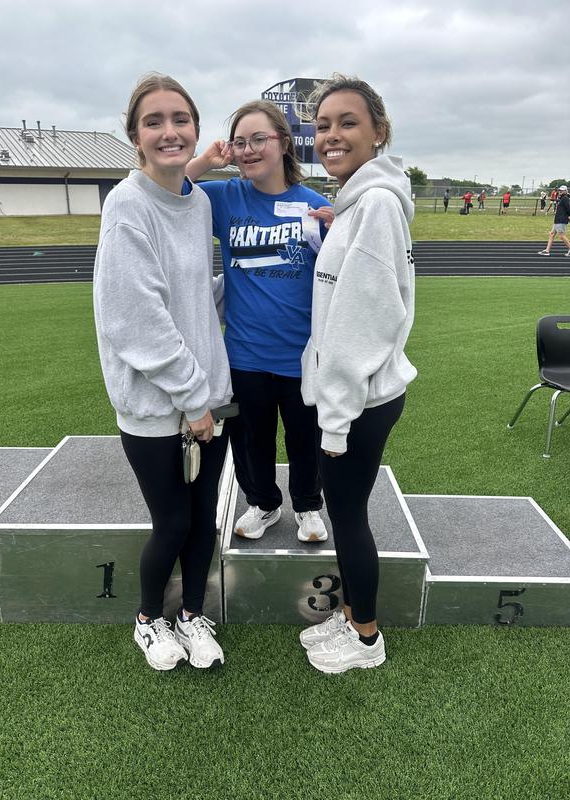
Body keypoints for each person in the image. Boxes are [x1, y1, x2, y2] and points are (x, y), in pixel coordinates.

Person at [93, 73, 232, 672]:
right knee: (172, 520)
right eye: (155, 121)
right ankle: (150, 619)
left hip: (210, 398)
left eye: (181, 118)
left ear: (196, 127)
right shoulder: (125, 208)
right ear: (135, 136)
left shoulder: (195, 201)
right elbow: (137, 321)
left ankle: (192, 612)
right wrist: (193, 398)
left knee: (204, 519)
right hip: (159, 406)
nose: (169, 130)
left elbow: (192, 293)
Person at [298, 74, 417, 674]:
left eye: (348, 123)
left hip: (358, 400)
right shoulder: (357, 204)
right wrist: (331, 228)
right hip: (359, 392)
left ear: (378, 133)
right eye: (322, 125)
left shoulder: (373, 205)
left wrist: (336, 420)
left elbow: (361, 324)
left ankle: (365, 638)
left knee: (348, 519)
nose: (332, 135)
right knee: (345, 514)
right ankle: (351, 620)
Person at [186, 100, 332, 544]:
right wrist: (205, 162)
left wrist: (334, 231)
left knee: (306, 440)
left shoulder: (316, 206)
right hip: (245, 355)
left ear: (284, 143)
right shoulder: (225, 198)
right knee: (251, 442)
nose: (249, 150)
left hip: (302, 355)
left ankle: (307, 506)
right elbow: (168, 188)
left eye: (259, 139)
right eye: (240, 142)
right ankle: (264, 504)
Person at [538, 185, 570, 256]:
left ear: (565, 191)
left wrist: (568, 216)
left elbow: (568, 209)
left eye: (561, 190)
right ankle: (547, 251)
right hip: (557, 219)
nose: (560, 191)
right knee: (552, 234)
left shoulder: (565, 198)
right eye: (559, 190)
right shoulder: (561, 198)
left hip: (561, 220)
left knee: (561, 235)